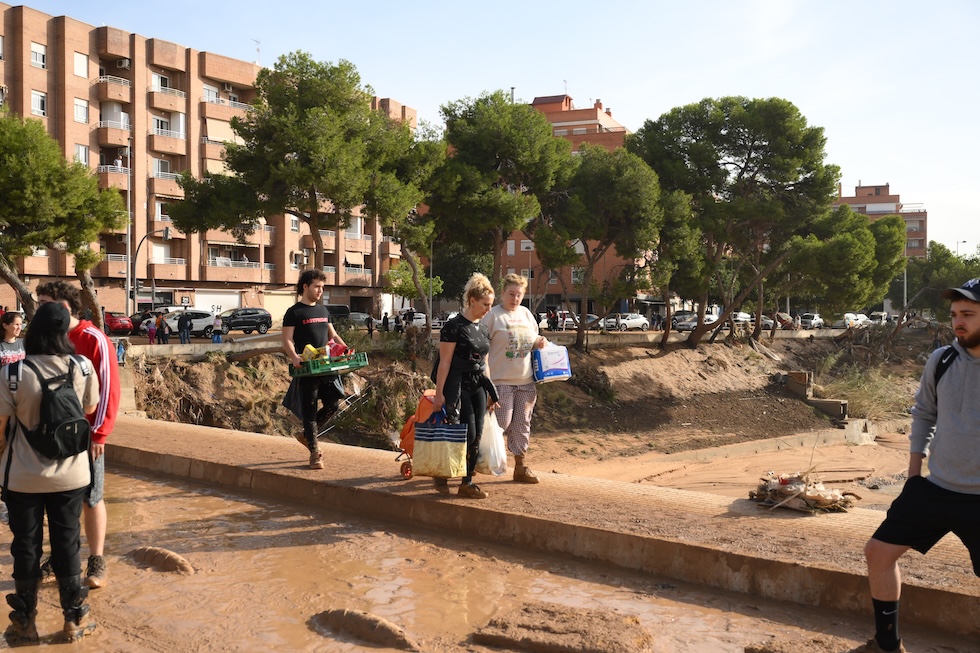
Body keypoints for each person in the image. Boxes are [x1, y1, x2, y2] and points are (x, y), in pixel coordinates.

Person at [860, 278, 980, 653]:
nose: (958, 323)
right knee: (878, 553)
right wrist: (914, 475)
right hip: (935, 488)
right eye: (955, 315)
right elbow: (924, 415)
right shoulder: (941, 360)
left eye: (968, 315)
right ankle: (886, 644)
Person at [0, 302, 101, 643]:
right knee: (67, 544)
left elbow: (0, 430)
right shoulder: (83, 367)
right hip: (71, 475)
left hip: (22, 478)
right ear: (63, 332)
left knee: (26, 547)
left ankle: (25, 622)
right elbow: (88, 409)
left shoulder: (12, 374)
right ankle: (74, 619)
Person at [35, 280, 121, 591]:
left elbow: (109, 388)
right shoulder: (46, 340)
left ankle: (96, 559)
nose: (40, 310)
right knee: (57, 499)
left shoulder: (93, 338)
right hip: (51, 434)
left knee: (91, 496)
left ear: (66, 306)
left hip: (84, 434)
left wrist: (99, 434)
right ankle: (60, 558)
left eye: (46, 303)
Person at [432, 273, 498, 499]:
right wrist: (439, 394)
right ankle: (441, 473)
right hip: (457, 385)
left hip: (478, 385)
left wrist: (490, 393)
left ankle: (466, 482)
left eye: (491, 304)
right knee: (463, 432)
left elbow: (485, 362)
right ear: (472, 301)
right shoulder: (453, 327)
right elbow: (445, 363)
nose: (489, 309)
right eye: (486, 304)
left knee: (478, 432)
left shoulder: (484, 328)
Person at [482, 274, 548, 484]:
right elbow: (481, 348)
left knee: (522, 424)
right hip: (500, 381)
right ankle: (480, 461)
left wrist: (540, 341)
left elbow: (532, 338)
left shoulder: (527, 315)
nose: (515, 298)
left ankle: (520, 466)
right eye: (511, 294)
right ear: (502, 293)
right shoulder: (492, 316)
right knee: (502, 422)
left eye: (519, 295)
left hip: (526, 381)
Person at [282, 269, 348, 470]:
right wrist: (294, 357)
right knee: (309, 412)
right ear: (305, 287)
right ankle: (315, 453)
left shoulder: (323, 311)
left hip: (327, 367)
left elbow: (333, 336)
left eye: (322, 287)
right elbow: (286, 339)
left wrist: (346, 350)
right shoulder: (294, 312)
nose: (320, 291)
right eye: (317, 287)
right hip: (308, 369)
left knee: (333, 406)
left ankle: (306, 436)